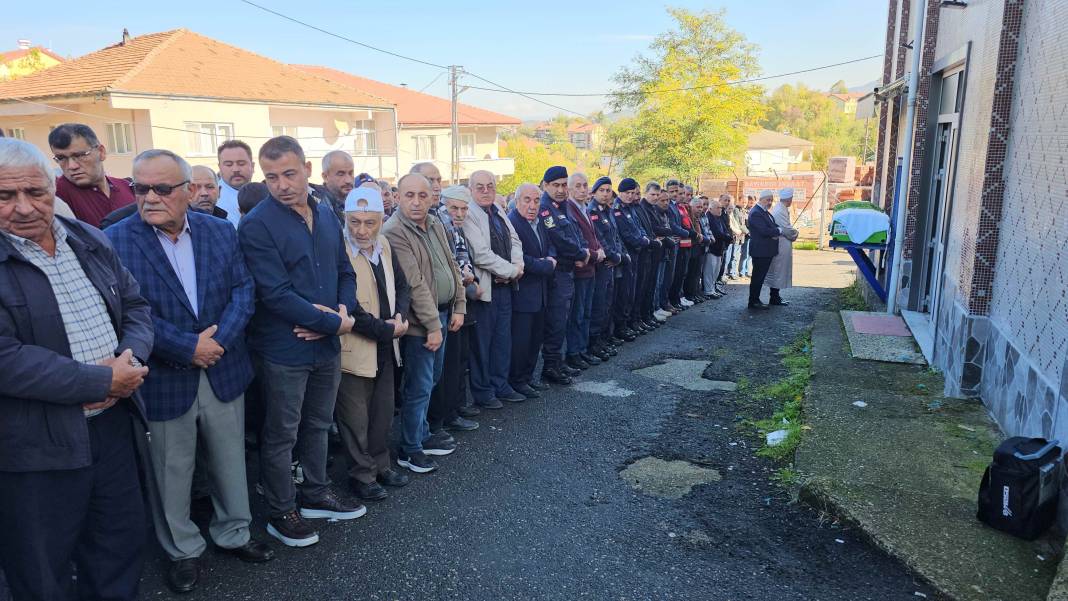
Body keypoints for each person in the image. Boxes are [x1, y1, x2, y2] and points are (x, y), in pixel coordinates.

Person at [105, 149, 272, 593]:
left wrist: (216, 344)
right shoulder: (116, 240)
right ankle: (182, 550)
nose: (150, 198)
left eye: (162, 188)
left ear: (187, 190)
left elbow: (243, 289)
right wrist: (187, 347)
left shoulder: (219, 231)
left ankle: (234, 531)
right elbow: (125, 313)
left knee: (230, 461)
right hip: (163, 376)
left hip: (222, 365)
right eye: (141, 188)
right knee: (170, 471)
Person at [0, 138, 153, 601]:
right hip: (37, 444)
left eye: (36, 193)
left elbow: (136, 307)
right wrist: (98, 380)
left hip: (113, 429)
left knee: (118, 548)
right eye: (5, 197)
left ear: (53, 190)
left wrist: (129, 360)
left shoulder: (89, 240)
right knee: (40, 567)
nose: (24, 208)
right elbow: (5, 357)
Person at [239, 136, 365, 548]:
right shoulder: (257, 224)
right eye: (271, 177)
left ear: (307, 170)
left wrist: (341, 316)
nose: (282, 184)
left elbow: (346, 271)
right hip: (284, 348)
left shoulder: (326, 212)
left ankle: (315, 494)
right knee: (281, 433)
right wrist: (334, 324)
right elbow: (274, 294)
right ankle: (281, 510)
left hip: (325, 342)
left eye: (289, 173)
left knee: (317, 423)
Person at [334, 186, 414, 502]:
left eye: (370, 222)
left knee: (382, 414)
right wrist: (385, 329)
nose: (362, 230)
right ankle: (361, 475)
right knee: (356, 420)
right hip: (356, 347)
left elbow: (403, 286)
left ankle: (381, 465)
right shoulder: (339, 251)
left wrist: (400, 316)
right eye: (355, 222)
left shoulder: (384, 245)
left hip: (386, 343)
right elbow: (348, 305)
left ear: (381, 219)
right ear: (346, 219)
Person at [382, 173, 466, 473]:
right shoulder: (393, 231)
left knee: (431, 380)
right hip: (422, 324)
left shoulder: (434, 222)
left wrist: (460, 305)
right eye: (409, 195)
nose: (416, 202)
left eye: (423, 195)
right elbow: (415, 284)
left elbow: (452, 264)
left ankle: (421, 434)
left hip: (443, 315)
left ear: (432, 197)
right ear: (398, 196)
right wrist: (432, 326)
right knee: (418, 385)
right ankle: (410, 448)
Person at [461, 170, 525, 409]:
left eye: (490, 186)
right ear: (471, 189)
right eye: (480, 187)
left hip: (505, 288)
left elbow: (515, 240)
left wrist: (517, 266)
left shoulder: (498, 211)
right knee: (482, 344)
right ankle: (483, 391)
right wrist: (510, 270)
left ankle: (501, 385)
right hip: (486, 290)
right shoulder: (469, 214)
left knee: (502, 340)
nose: (486, 190)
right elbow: (480, 254)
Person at [430, 186, 481, 432]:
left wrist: (471, 278)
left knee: (459, 360)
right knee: (448, 366)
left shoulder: (456, 227)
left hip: (460, 301)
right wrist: (467, 278)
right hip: (446, 304)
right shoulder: (441, 226)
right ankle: (447, 415)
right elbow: (450, 264)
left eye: (463, 208)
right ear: (443, 206)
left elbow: (464, 258)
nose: (459, 213)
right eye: (454, 208)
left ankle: (455, 408)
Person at [538, 166, 588, 384]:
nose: (560, 190)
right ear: (545, 185)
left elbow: (575, 233)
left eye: (562, 185)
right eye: (555, 185)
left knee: (563, 320)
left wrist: (582, 250)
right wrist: (580, 253)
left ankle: (557, 363)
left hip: (568, 271)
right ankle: (550, 366)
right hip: (557, 274)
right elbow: (557, 237)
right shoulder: (545, 209)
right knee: (556, 322)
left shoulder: (563, 206)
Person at [507, 183, 555, 396]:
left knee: (535, 339)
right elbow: (518, 258)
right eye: (527, 200)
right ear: (517, 202)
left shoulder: (542, 221)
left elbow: (550, 243)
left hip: (541, 292)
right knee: (521, 341)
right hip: (523, 293)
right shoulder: (512, 223)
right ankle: (517, 380)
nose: (532, 205)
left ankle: (527, 377)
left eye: (536, 200)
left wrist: (551, 258)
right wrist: (545, 265)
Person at [47, 123, 136, 228]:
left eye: (79, 155)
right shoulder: (55, 196)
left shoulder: (127, 187)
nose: (72, 166)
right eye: (61, 158)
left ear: (101, 152)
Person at [587, 176, 624, 358]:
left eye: (608, 190)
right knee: (599, 304)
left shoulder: (608, 211)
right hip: (601, 265)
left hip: (611, 264)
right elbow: (599, 239)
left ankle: (602, 338)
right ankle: (593, 342)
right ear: (594, 192)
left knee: (608, 303)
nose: (605, 193)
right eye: (601, 190)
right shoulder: (592, 211)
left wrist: (618, 255)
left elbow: (615, 237)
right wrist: (614, 255)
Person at [612, 178, 652, 339]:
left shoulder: (630, 208)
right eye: (626, 193)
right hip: (626, 255)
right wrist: (643, 241)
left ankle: (628, 323)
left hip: (636, 253)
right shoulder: (617, 210)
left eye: (632, 193)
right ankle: (621, 327)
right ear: (620, 192)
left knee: (632, 290)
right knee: (624, 292)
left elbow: (639, 228)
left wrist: (643, 238)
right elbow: (626, 235)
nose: (630, 196)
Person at [640, 182, 673, 323]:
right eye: (652, 194)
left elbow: (659, 227)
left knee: (653, 284)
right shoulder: (643, 208)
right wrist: (665, 232)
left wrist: (663, 232)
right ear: (645, 193)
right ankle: (646, 314)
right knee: (646, 286)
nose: (655, 197)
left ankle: (649, 313)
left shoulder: (652, 208)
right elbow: (654, 228)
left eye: (656, 195)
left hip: (657, 250)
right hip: (648, 251)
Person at [746, 190, 782, 310]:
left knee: (760, 277)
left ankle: (756, 299)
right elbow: (764, 230)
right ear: (761, 199)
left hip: (766, 250)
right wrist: (778, 231)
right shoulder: (756, 212)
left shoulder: (764, 212)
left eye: (771, 200)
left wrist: (776, 230)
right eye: (768, 200)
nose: (770, 202)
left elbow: (772, 226)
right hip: (761, 250)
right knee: (758, 277)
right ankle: (754, 301)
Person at [765, 188, 797, 306]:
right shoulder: (780, 210)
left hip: (782, 244)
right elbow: (786, 230)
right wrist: (796, 233)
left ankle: (776, 296)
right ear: (789, 199)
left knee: (778, 270)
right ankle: (774, 297)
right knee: (778, 270)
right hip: (781, 244)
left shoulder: (781, 208)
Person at [216, 140, 255, 228]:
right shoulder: (213, 198)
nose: (235, 169)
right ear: (220, 168)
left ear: (252, 166)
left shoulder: (267, 193)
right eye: (229, 165)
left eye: (241, 164)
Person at [311, 150, 356, 224]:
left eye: (351, 173)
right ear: (325, 177)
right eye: (341, 174)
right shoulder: (317, 206)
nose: (348, 180)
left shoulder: (358, 202)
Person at [703, 197, 731, 299]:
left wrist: (728, 236)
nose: (720, 210)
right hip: (712, 248)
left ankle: (712, 289)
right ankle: (708, 290)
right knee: (709, 271)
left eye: (720, 208)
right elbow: (717, 233)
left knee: (716, 271)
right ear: (711, 209)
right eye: (718, 208)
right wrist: (727, 237)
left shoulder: (718, 218)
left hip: (719, 248)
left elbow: (725, 230)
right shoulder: (709, 217)